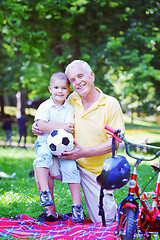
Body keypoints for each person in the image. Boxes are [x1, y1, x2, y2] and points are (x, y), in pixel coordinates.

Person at [32, 60, 125, 223]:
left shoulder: (110, 104)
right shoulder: (70, 99)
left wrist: (83, 153)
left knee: (104, 221)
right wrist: (38, 126)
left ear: (92, 75)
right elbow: (51, 113)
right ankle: (50, 212)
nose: (77, 82)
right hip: (65, 160)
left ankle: (88, 207)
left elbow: (116, 143)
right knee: (41, 162)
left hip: (94, 171)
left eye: (80, 76)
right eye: (73, 80)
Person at [33, 72, 84, 223]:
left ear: (69, 91)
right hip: (44, 143)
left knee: (71, 169)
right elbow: (41, 125)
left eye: (64, 88)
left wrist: (49, 126)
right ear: (50, 89)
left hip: (64, 146)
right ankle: (45, 192)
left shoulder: (69, 109)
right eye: (56, 87)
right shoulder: (45, 106)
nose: (59, 91)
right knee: (43, 156)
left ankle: (77, 207)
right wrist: (60, 126)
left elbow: (69, 128)